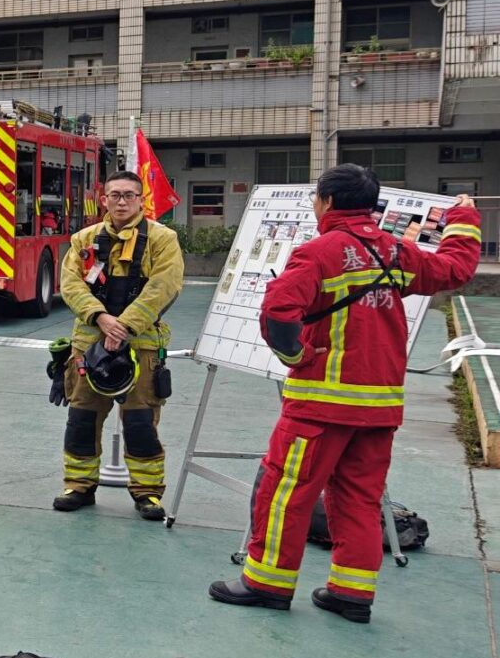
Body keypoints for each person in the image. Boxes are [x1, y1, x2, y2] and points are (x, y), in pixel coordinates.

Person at [211, 169, 481, 622]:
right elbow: (455, 269)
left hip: (320, 405)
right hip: (380, 408)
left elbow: (278, 313)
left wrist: (297, 355)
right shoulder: (397, 252)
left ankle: (266, 583)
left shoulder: (318, 253)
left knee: (286, 492)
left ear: (328, 201)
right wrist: (463, 220)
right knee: (359, 497)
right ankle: (352, 593)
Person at [53, 171, 184, 520]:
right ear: (104, 199)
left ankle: (147, 494)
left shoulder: (162, 239)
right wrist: (100, 317)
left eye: (129, 195)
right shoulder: (84, 239)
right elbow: (71, 285)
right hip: (89, 346)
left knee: (140, 422)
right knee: (82, 418)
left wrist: (124, 325)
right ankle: (78, 486)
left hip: (141, 346)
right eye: (115, 195)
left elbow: (164, 286)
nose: (121, 201)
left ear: (141, 200)